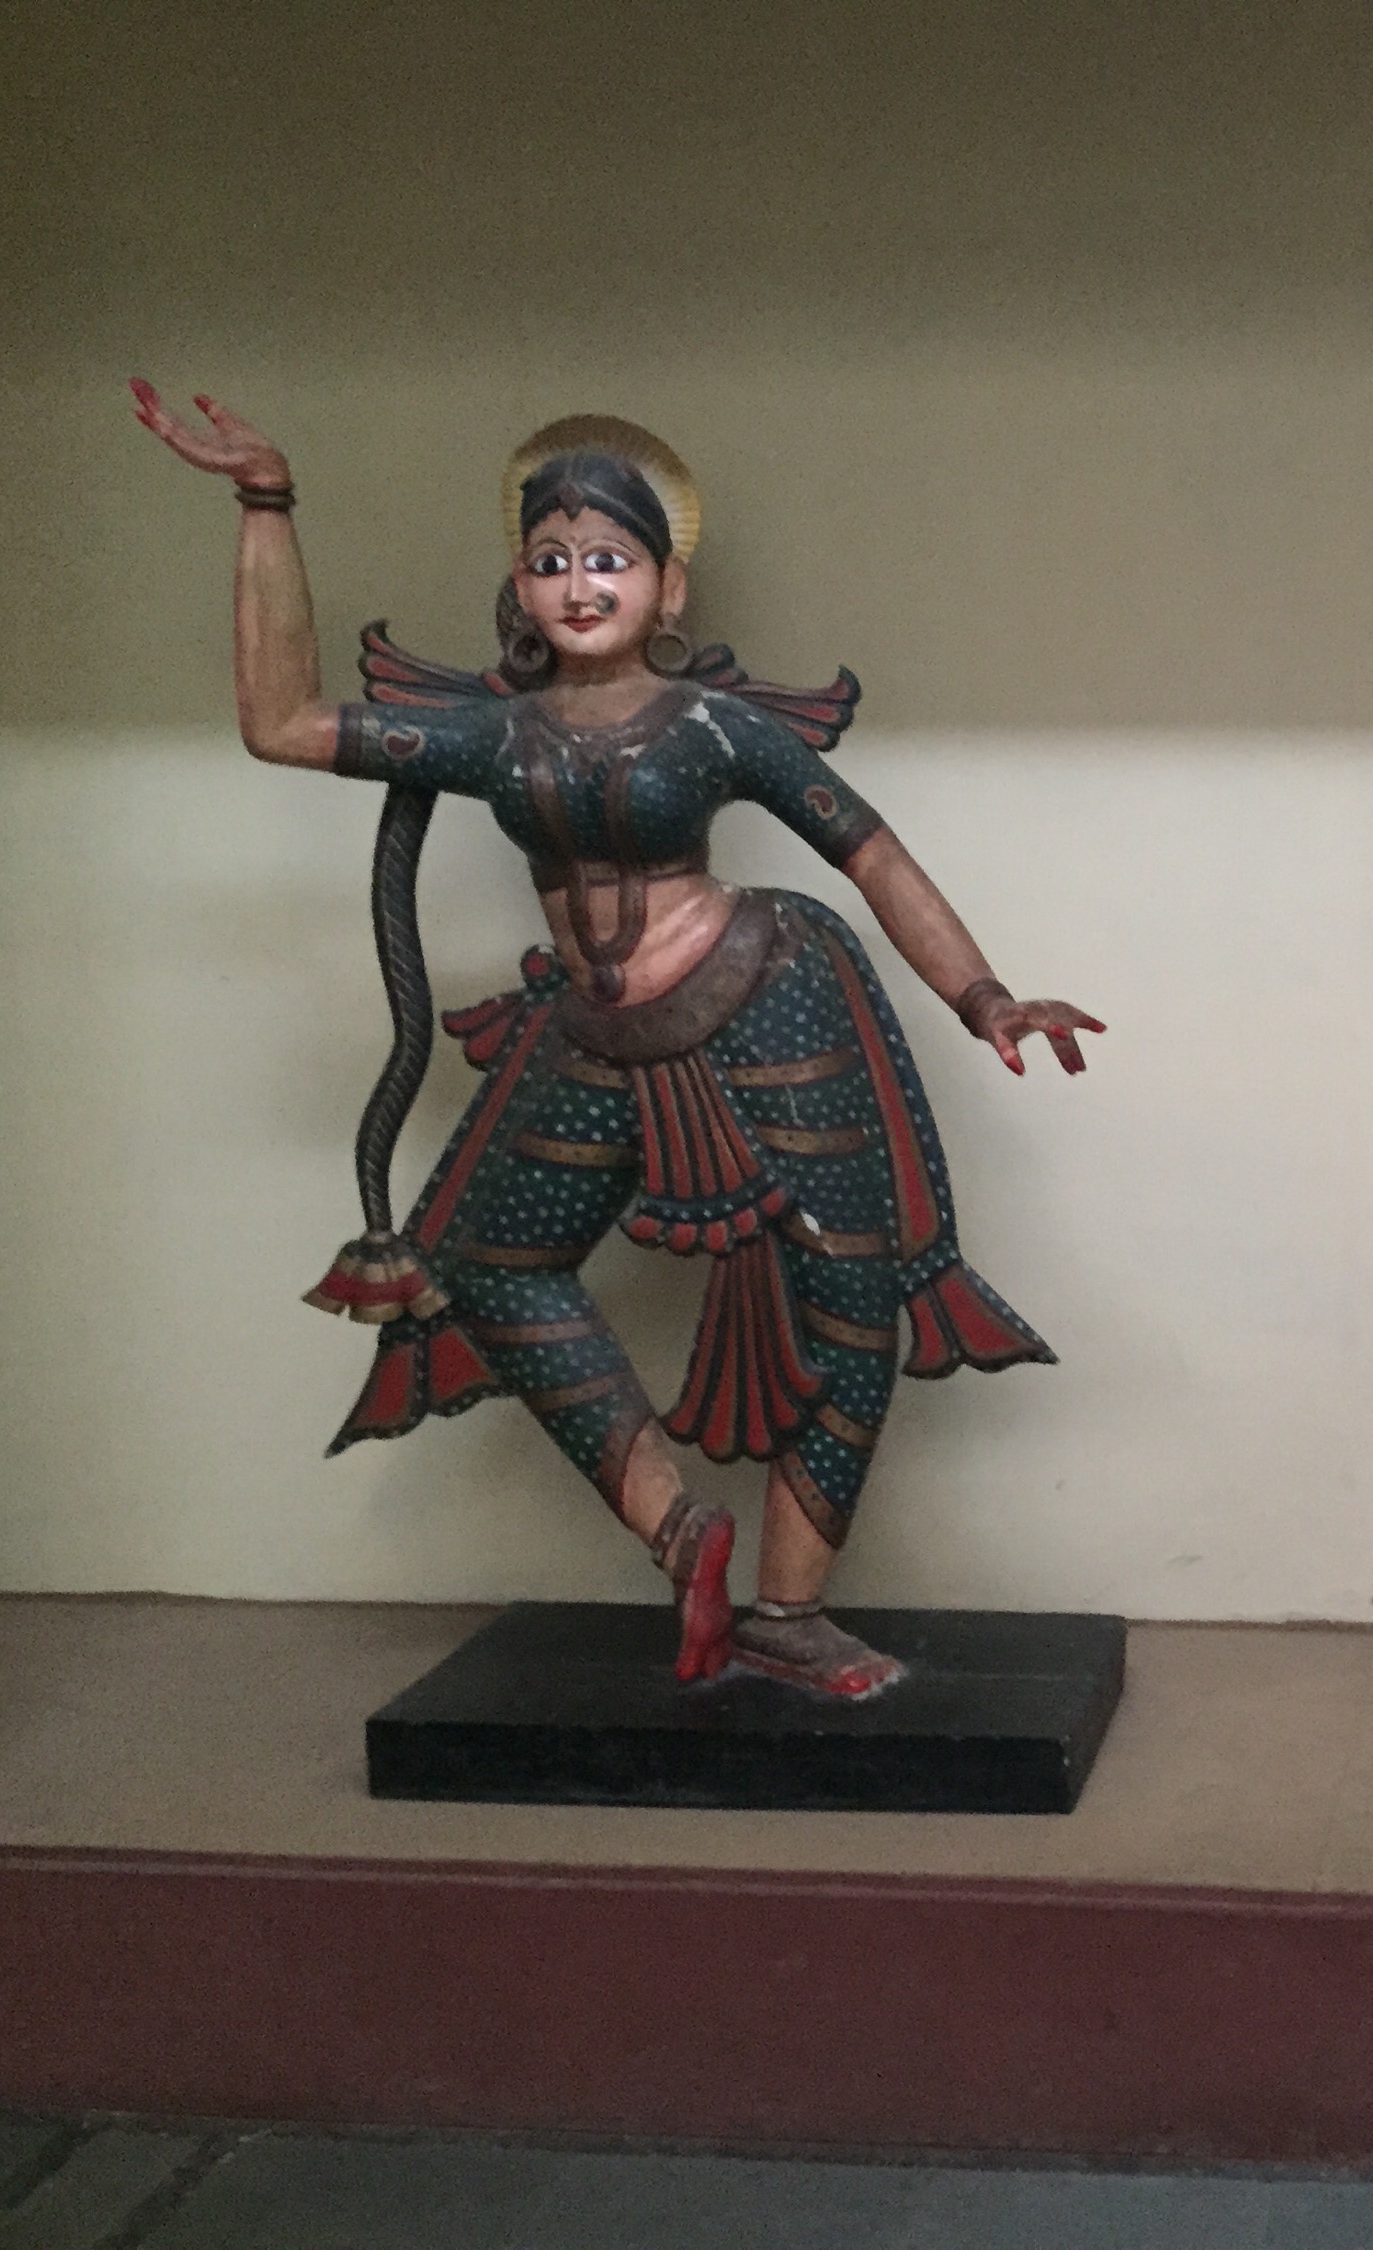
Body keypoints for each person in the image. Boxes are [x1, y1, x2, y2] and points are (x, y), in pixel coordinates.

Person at [134, 385, 1101, 1698]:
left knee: (851, 1305)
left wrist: (986, 996)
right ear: (519, 588)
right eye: (550, 561)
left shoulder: (716, 726)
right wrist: (266, 502)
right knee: (489, 1267)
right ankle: (679, 1529)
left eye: (608, 559)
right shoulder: (491, 734)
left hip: (768, 1000)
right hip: (593, 1035)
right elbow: (282, 724)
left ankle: (792, 1614)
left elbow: (868, 851)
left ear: (667, 584)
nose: (579, 585)